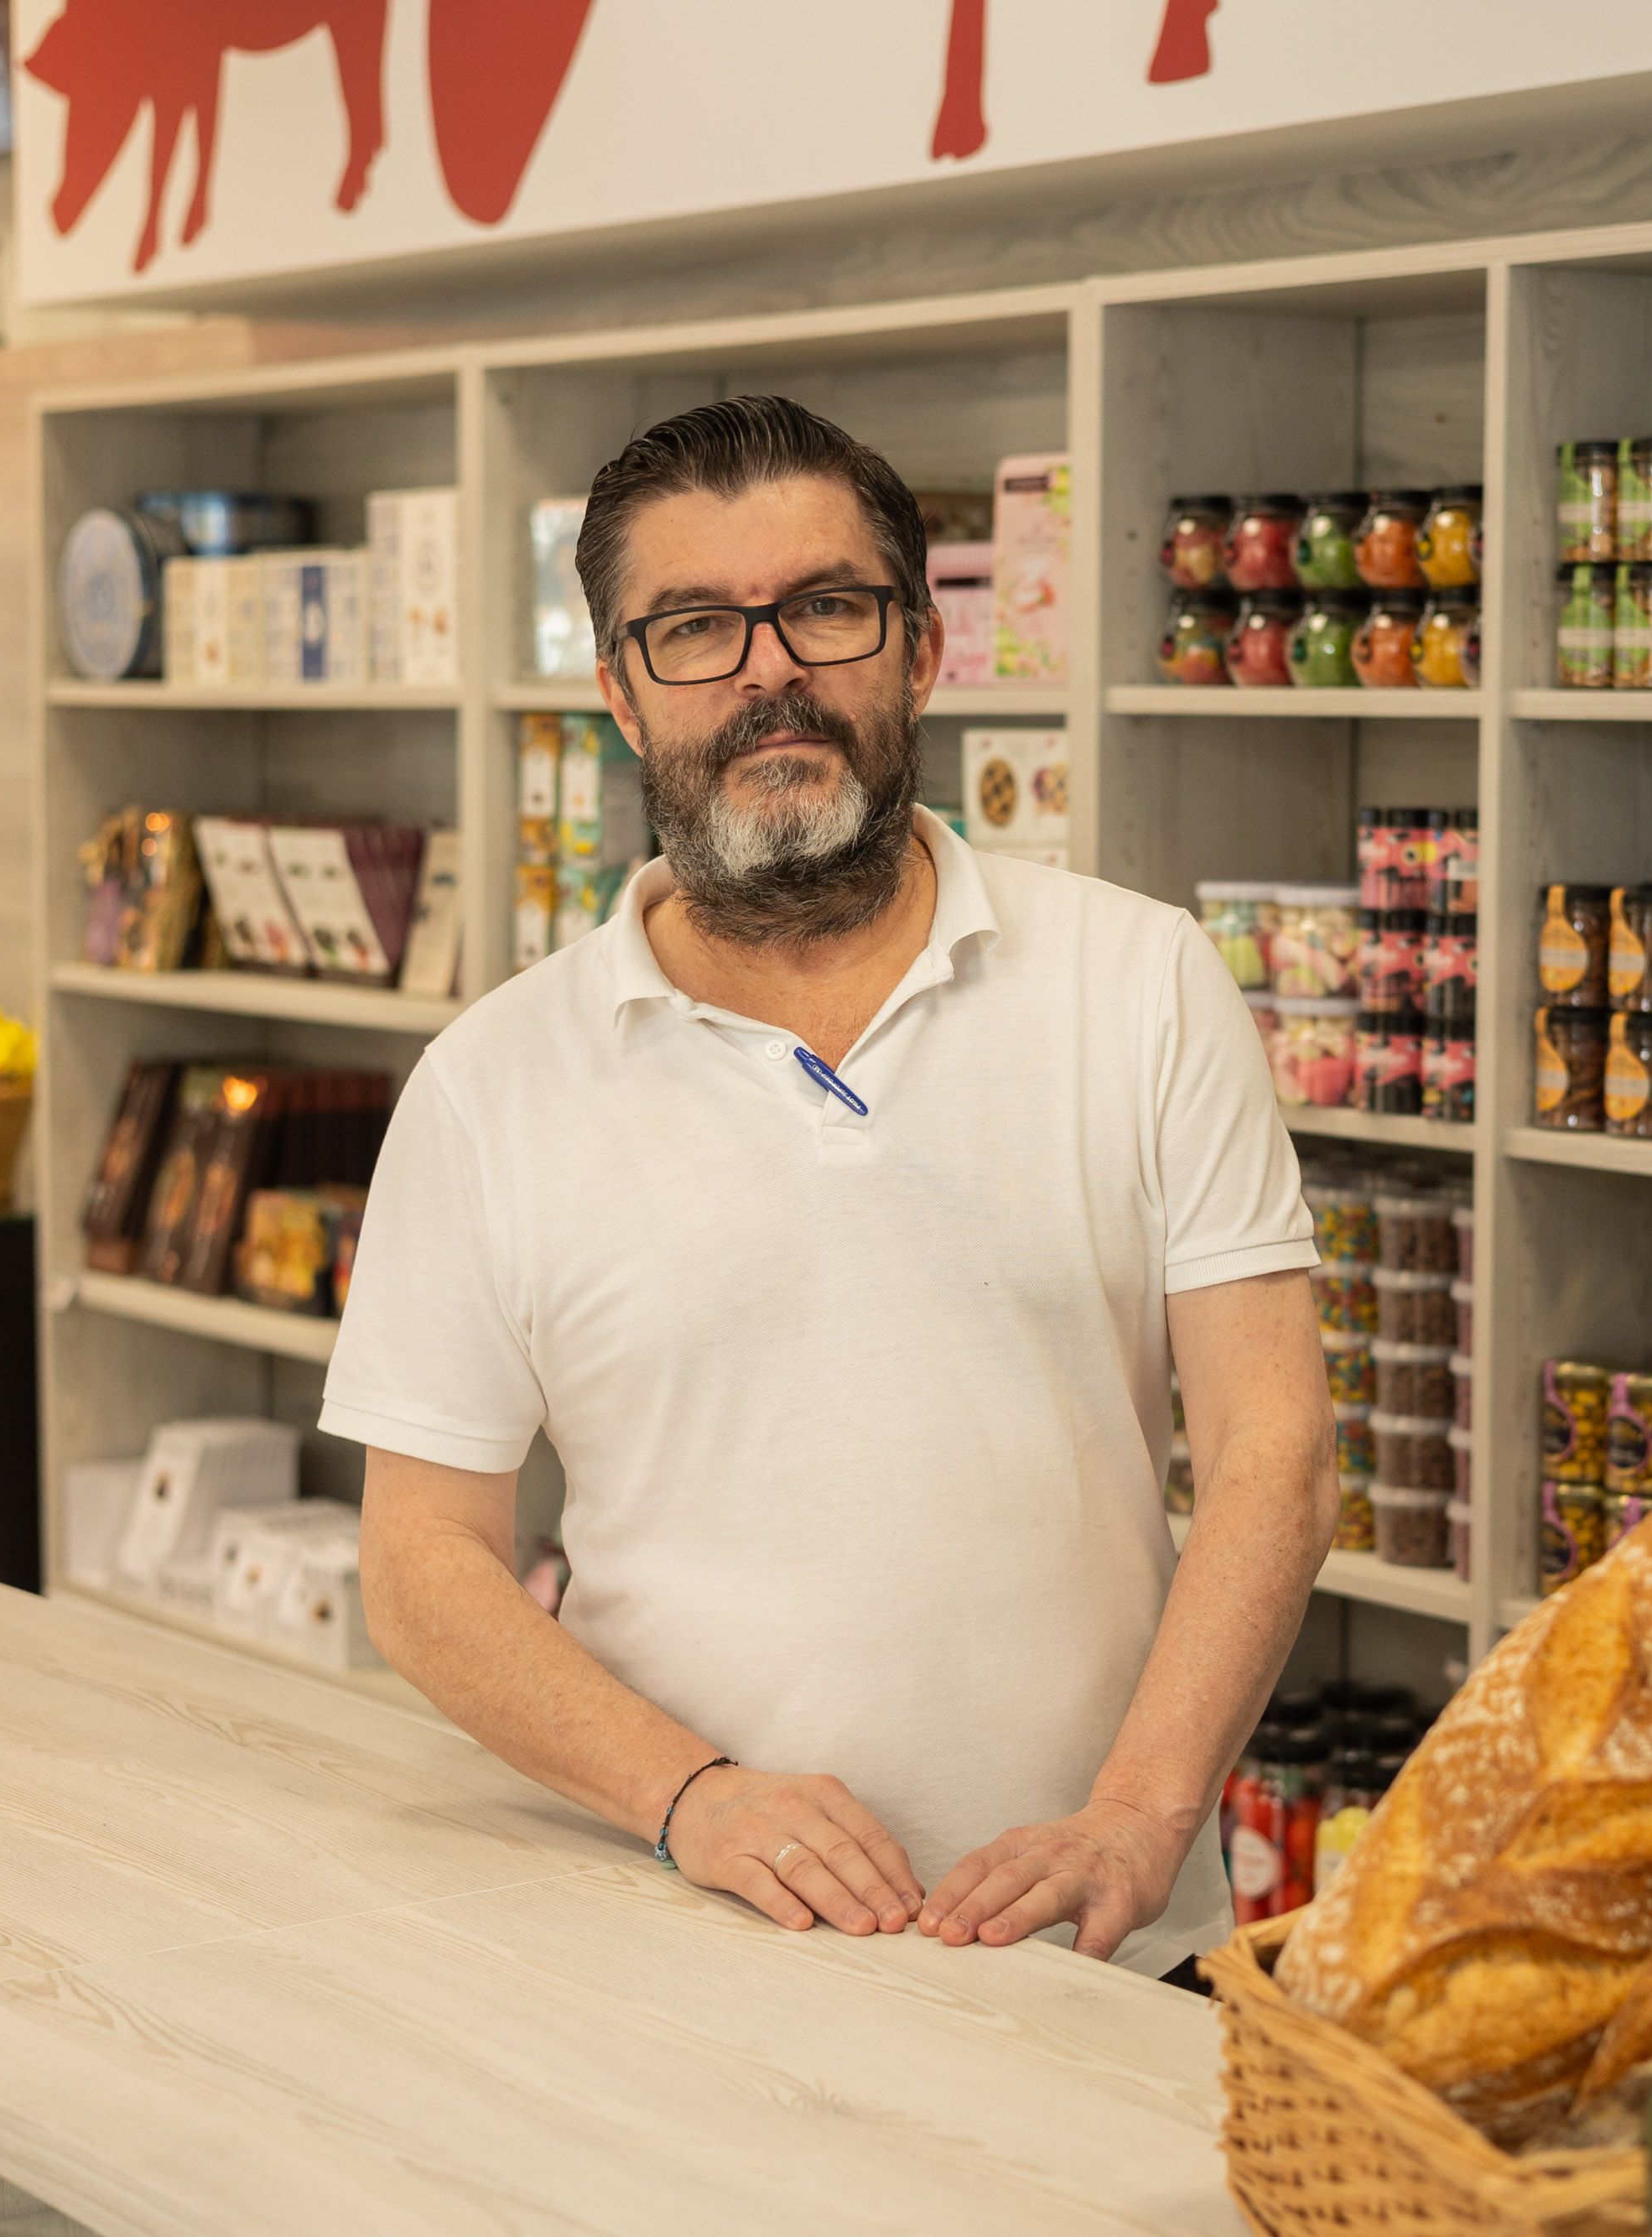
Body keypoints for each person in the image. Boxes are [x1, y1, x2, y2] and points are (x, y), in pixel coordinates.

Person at [325, 395, 1335, 1981]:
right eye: (693, 629)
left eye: (826, 607)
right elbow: (421, 1566)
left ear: (921, 649)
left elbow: (1275, 1450)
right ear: (617, 690)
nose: (767, 669)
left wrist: (1140, 1816)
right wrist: (693, 1800)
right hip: (673, 1939)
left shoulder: (1140, 982)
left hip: (1101, 1951)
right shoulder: (491, 1084)